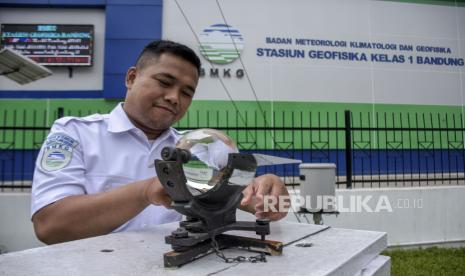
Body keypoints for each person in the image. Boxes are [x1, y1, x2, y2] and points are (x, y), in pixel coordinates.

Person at [31, 40, 289, 245]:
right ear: (131, 78)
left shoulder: (198, 146)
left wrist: (268, 196)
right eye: (164, 82)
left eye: (187, 92)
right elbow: (50, 226)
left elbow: (241, 197)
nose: (174, 97)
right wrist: (145, 192)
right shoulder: (76, 134)